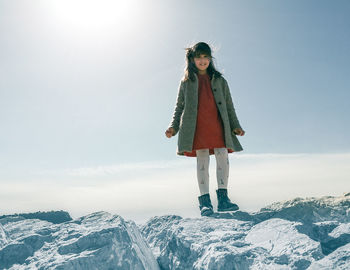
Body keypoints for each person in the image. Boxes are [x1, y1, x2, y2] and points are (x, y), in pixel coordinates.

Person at [165, 42, 245, 217]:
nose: (202, 61)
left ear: (210, 59)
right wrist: (173, 127)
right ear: (192, 59)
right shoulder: (186, 82)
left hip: (218, 125)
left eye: (205, 57)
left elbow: (230, 107)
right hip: (196, 128)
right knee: (202, 162)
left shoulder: (220, 80)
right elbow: (179, 106)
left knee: (222, 157)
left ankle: (224, 201)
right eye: (198, 57)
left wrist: (235, 126)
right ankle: (205, 203)